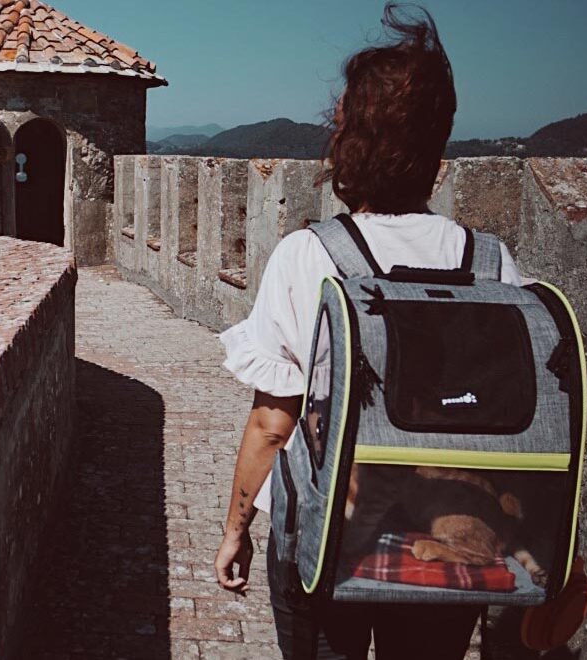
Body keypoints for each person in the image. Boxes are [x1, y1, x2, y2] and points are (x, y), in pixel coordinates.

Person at [213, 5, 525, 659]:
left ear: (348, 135)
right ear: (438, 142)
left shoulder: (312, 256)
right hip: (447, 544)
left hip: (332, 539)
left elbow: (275, 421)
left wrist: (236, 528)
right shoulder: (494, 265)